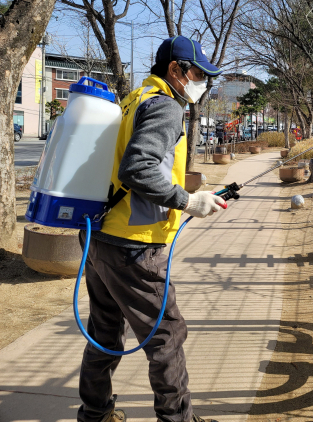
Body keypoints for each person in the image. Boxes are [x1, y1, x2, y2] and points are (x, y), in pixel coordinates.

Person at [77, 36, 225, 422]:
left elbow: (136, 165)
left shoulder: (134, 99)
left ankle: (94, 414)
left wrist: (189, 191)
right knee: (167, 337)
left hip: (101, 235)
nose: (202, 82)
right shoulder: (166, 107)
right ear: (175, 70)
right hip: (134, 247)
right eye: (197, 73)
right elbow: (137, 168)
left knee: (105, 333)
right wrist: (189, 202)